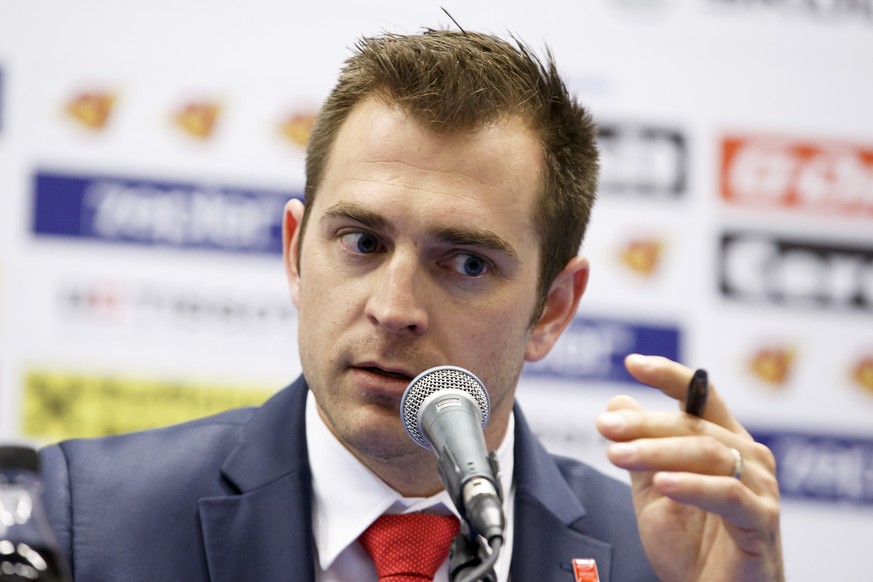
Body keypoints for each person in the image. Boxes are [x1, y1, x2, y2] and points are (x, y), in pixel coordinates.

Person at [38, 29, 784, 581]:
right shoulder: (87, 520)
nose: (394, 309)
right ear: (297, 253)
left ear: (551, 308)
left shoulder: (668, 561)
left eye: (464, 262)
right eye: (362, 243)